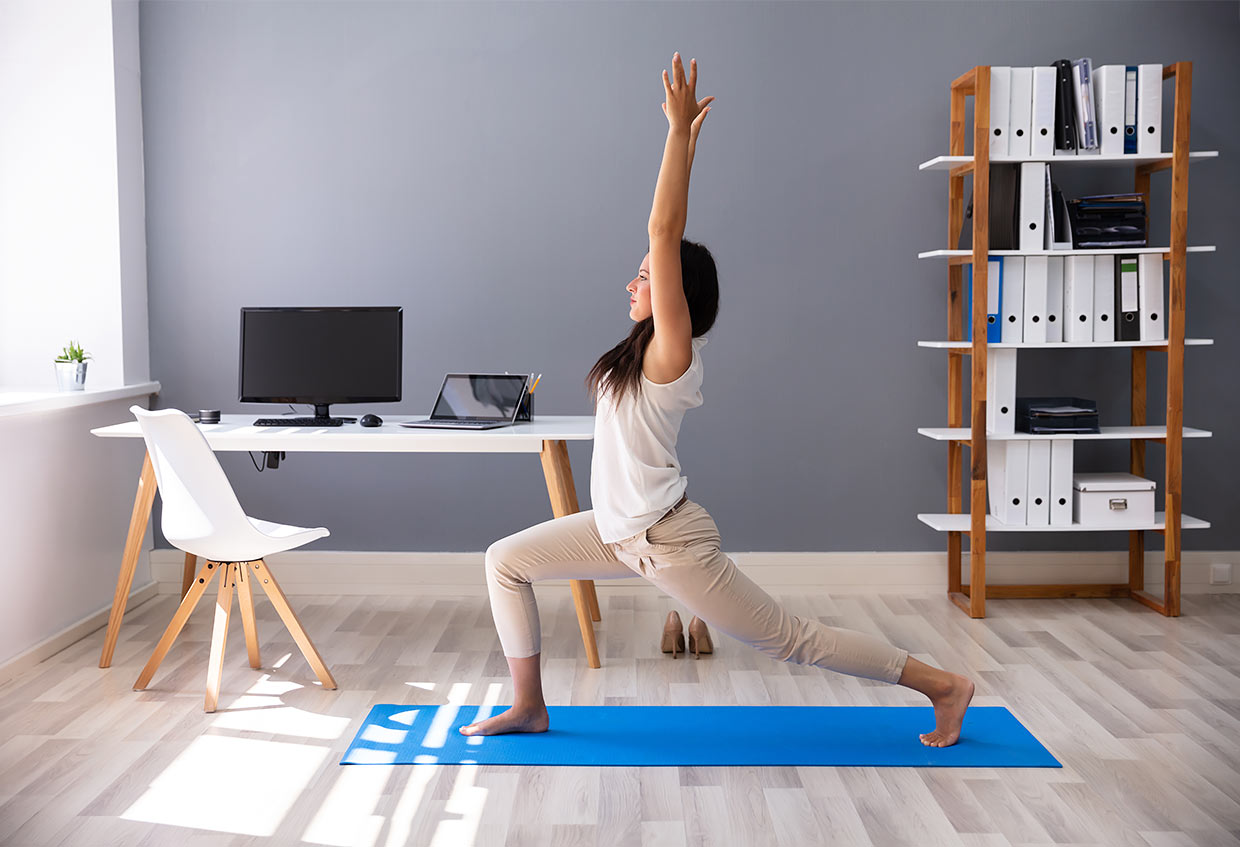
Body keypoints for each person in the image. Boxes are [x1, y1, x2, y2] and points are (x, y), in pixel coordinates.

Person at [461, 53, 974, 747]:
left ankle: (944, 686)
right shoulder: (635, 356)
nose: (632, 283)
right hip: (620, 533)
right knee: (505, 559)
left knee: (794, 639)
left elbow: (663, 233)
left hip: (667, 541)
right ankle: (529, 704)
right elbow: (657, 252)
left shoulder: (674, 353)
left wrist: (678, 138)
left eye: (645, 279)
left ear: (677, 295)